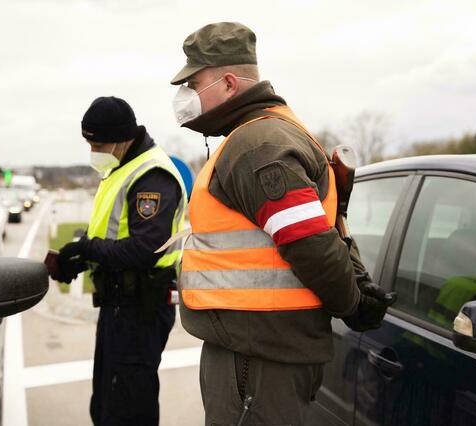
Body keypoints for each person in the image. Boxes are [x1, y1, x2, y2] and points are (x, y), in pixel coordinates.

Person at [170, 22, 393, 425]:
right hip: (256, 351)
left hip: (256, 362)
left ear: (229, 83)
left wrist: (353, 304)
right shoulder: (259, 136)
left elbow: (309, 242)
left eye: (193, 83)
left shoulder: (259, 145)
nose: (185, 96)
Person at [50, 96, 186, 426]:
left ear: (123, 137)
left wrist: (89, 249)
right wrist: (80, 258)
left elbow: (144, 250)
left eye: (98, 143)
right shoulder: (120, 168)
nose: (94, 150)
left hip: (141, 308)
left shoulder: (152, 176)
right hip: (118, 306)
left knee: (128, 409)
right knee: (107, 405)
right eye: (89, 143)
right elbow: (113, 236)